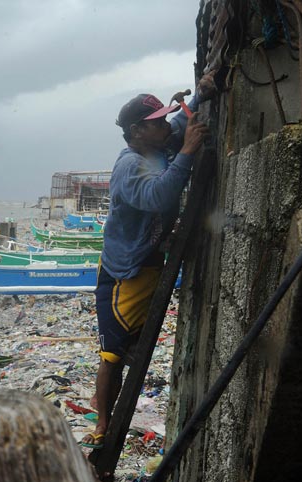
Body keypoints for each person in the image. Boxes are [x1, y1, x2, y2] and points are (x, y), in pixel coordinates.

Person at [80, 88, 210, 450]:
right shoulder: (130, 166)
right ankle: (104, 425)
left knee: (130, 348)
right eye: (156, 123)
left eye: (164, 119)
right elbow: (158, 196)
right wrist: (187, 152)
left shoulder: (157, 147)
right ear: (137, 131)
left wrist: (202, 93)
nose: (166, 125)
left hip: (146, 262)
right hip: (124, 274)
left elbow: (181, 122)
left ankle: (109, 417)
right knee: (112, 354)